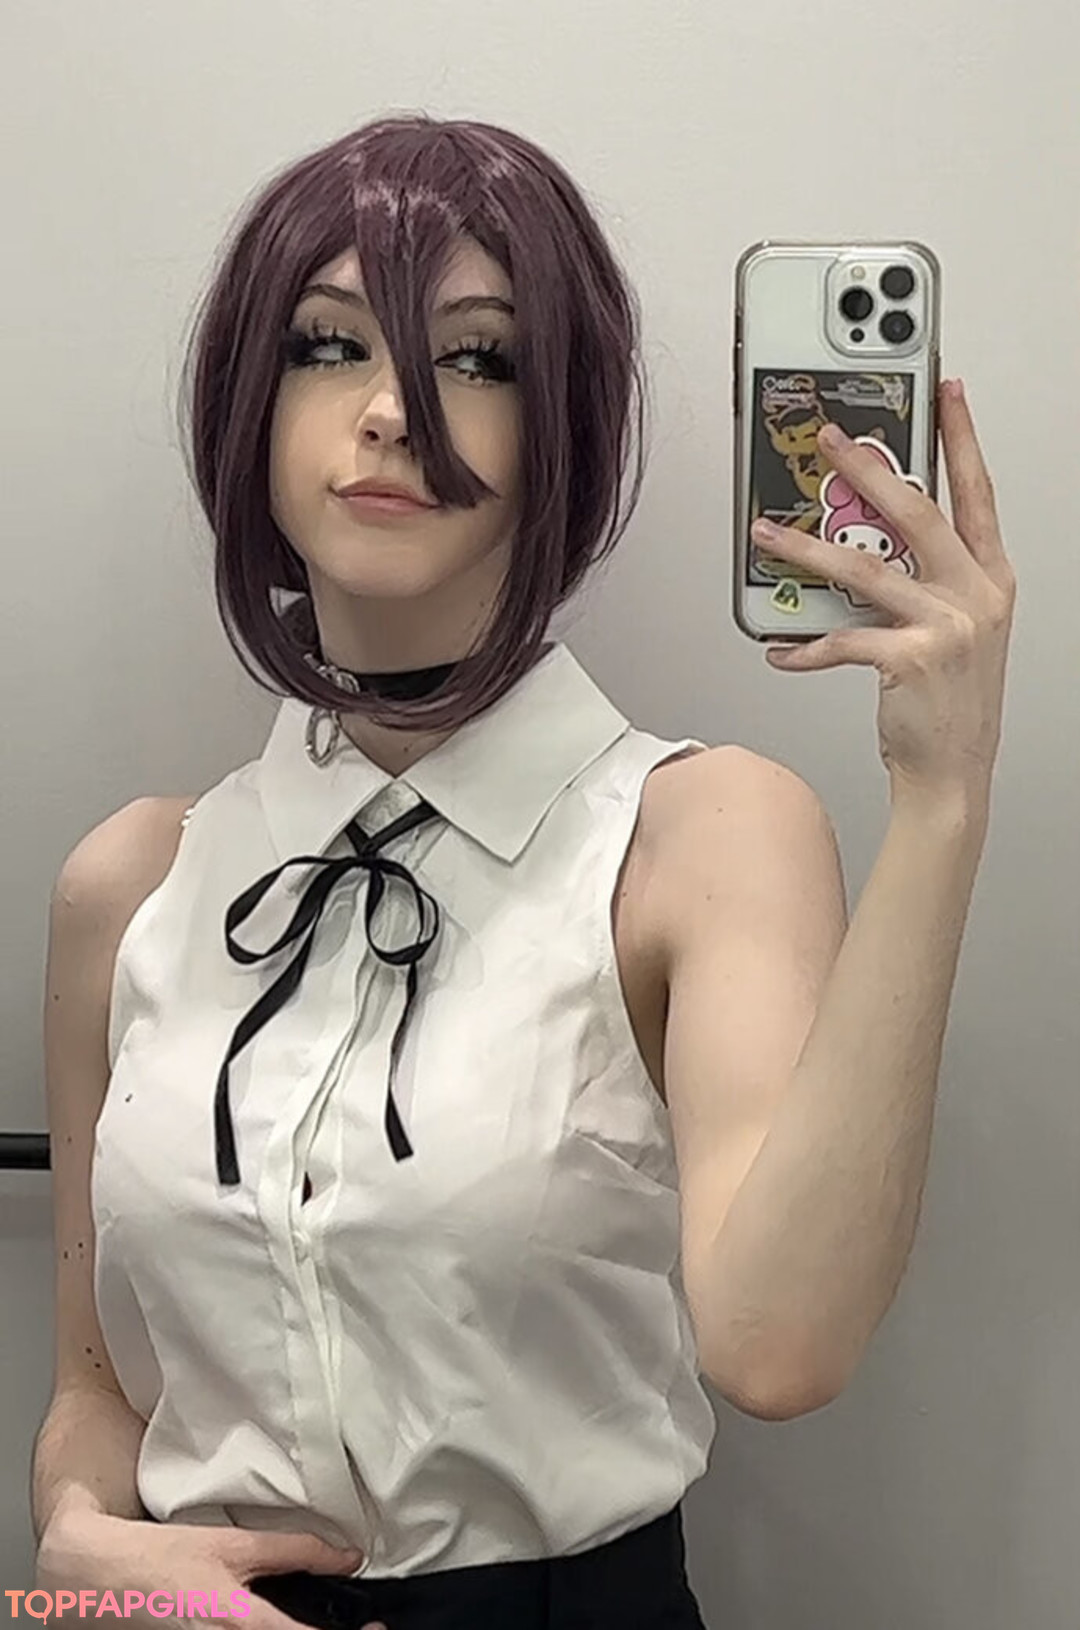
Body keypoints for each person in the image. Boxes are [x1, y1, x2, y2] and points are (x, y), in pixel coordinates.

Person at [31, 114, 1016, 1630]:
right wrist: (76, 1540)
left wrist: (942, 799)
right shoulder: (132, 885)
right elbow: (97, 1382)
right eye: (325, 345)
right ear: (248, 401)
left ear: (563, 425)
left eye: (478, 360)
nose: (389, 412)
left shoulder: (696, 835)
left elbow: (779, 1347)